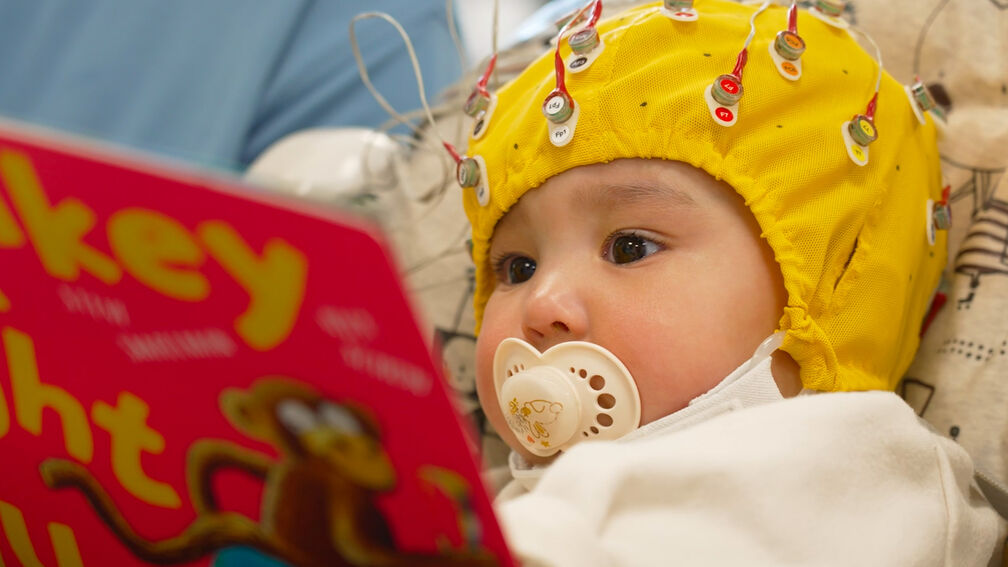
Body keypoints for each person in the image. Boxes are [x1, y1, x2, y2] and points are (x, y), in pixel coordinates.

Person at [453, 0, 1003, 564]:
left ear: (822, 286)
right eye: (517, 268)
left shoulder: (853, 462)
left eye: (630, 248)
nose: (543, 304)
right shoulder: (487, 491)